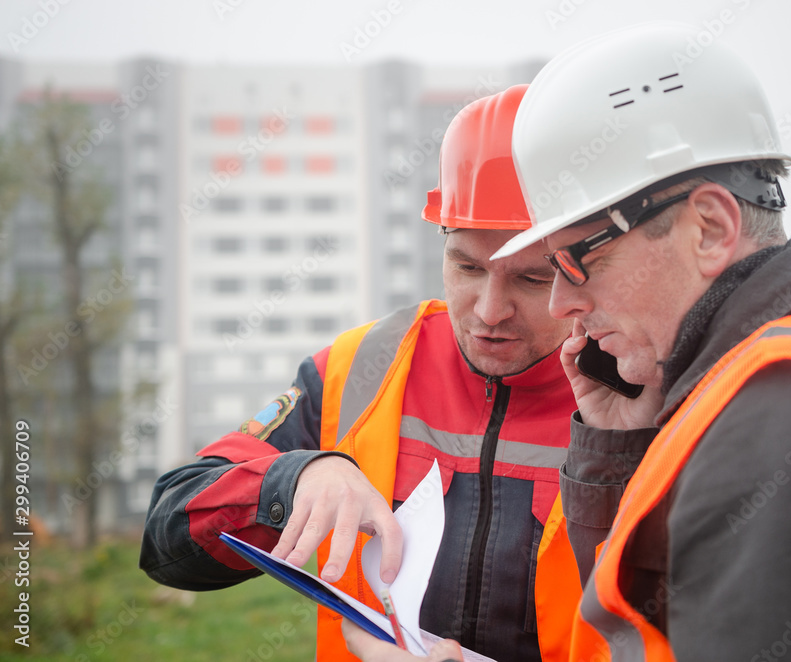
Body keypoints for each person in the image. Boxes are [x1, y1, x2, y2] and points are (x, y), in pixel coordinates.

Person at [346, 22, 791, 662]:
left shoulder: (786, 425)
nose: (560, 304)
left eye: (577, 260)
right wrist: (619, 456)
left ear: (711, 229)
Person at [140, 84, 582, 662]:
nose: (488, 310)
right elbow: (168, 538)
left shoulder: (638, 396)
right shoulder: (364, 368)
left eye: (530, 279)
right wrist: (293, 481)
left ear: (587, 262)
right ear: (440, 237)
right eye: (466, 266)